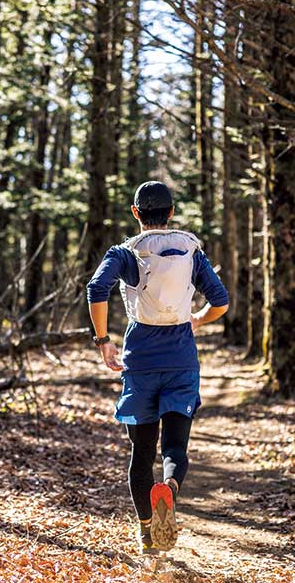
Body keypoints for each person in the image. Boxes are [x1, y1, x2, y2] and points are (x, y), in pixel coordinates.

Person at [85, 181, 229, 554]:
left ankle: (148, 531)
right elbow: (221, 301)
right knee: (176, 447)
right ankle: (170, 487)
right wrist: (196, 318)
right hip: (182, 360)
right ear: (171, 212)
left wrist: (104, 340)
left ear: (136, 213)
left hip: (141, 362)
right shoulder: (190, 251)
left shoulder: (125, 253)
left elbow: (95, 289)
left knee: (142, 453)